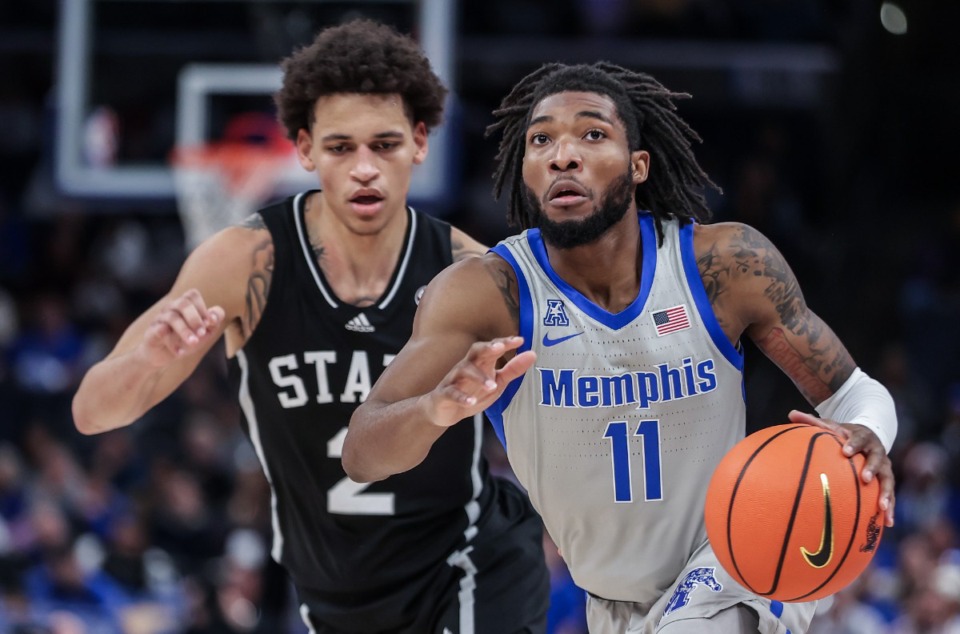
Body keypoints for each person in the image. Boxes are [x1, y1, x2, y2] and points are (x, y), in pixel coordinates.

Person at [343, 61, 899, 634]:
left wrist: (871, 436)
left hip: (744, 557)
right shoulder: (486, 294)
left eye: (592, 134)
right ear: (526, 170)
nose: (563, 154)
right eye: (541, 139)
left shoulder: (724, 266)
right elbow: (363, 450)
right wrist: (435, 410)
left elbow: (855, 395)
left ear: (638, 165)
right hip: (612, 603)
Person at [71, 19, 550, 634]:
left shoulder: (469, 271)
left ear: (420, 142)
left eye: (385, 144)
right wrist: (147, 360)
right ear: (303, 150)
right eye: (341, 147)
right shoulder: (247, 262)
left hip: (465, 562)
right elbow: (91, 413)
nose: (365, 169)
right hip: (337, 594)